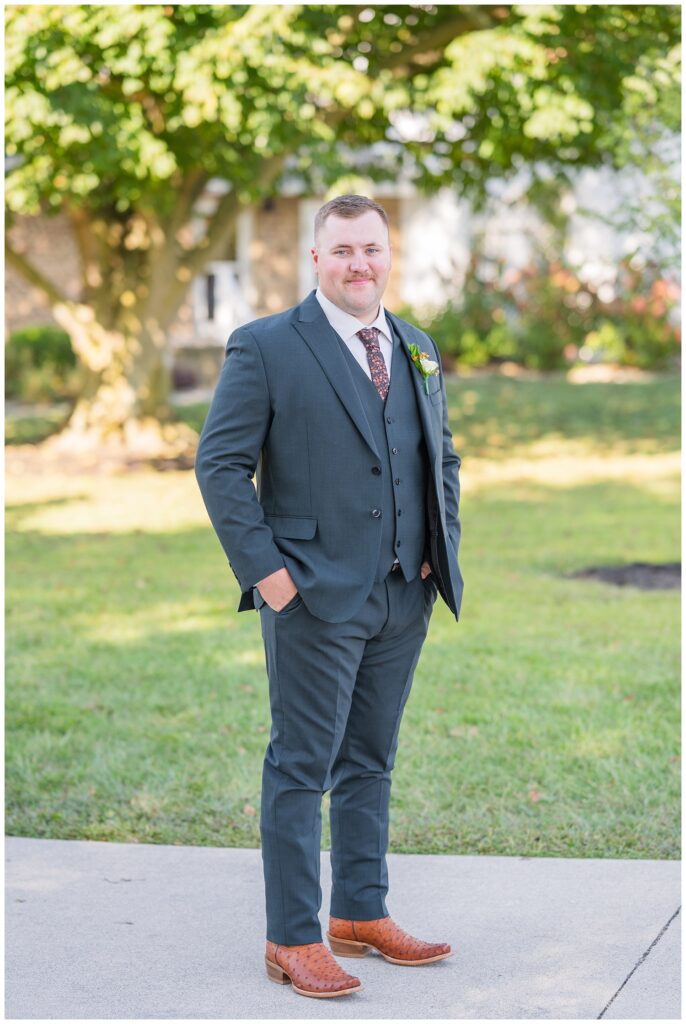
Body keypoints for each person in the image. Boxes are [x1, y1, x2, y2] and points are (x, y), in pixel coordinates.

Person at [195, 194, 464, 999]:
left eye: (372, 250)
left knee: (371, 762)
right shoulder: (268, 346)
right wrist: (271, 578)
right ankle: (292, 936)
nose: (359, 264)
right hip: (310, 596)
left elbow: (439, 457)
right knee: (300, 766)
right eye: (343, 250)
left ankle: (360, 911)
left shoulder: (415, 345)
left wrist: (433, 555)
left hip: (400, 596)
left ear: (389, 255)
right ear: (316, 258)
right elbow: (220, 467)